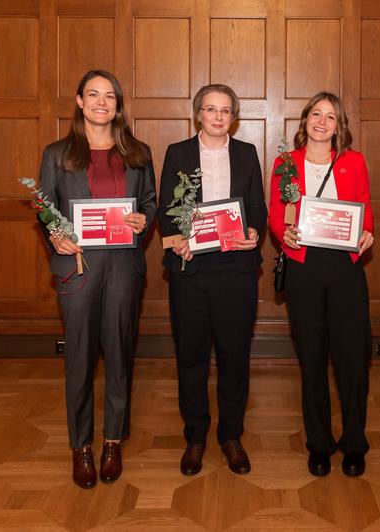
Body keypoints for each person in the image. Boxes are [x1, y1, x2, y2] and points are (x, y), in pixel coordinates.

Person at [38, 70, 157, 489]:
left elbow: (149, 204)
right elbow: (47, 208)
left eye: (110, 96)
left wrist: (144, 220)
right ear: (79, 101)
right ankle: (81, 446)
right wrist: (56, 236)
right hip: (78, 267)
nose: (102, 102)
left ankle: (112, 441)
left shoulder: (139, 152)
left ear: (118, 105)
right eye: (93, 95)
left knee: (121, 353)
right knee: (80, 357)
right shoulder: (56, 154)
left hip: (124, 264)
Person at [157, 84, 267, 476]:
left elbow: (257, 206)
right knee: (192, 357)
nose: (218, 116)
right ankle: (195, 437)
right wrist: (177, 242)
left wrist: (253, 232)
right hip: (191, 272)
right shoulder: (178, 153)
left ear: (233, 116)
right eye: (210, 109)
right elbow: (167, 210)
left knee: (235, 357)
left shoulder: (247, 153)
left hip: (236, 271)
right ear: (198, 114)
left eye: (225, 110)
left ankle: (231, 436)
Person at [268, 92, 374, 477]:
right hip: (304, 267)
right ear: (305, 120)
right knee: (312, 357)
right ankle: (319, 443)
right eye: (316, 114)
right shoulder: (286, 164)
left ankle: (354, 443)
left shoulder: (353, 162)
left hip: (345, 268)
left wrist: (367, 234)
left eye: (331, 116)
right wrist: (285, 234)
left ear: (339, 125)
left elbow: (365, 208)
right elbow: (276, 214)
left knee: (351, 359)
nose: (322, 121)